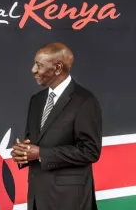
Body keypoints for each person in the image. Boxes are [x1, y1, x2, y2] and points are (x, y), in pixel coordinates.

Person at [11, 43, 102, 210]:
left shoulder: (85, 101)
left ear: (58, 68)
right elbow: (34, 143)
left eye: (39, 65)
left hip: (70, 201)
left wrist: (40, 154)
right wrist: (23, 153)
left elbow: (90, 151)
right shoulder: (36, 100)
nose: (33, 70)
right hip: (38, 197)